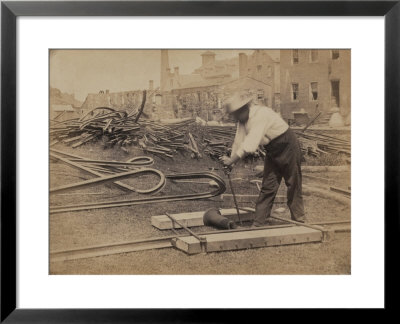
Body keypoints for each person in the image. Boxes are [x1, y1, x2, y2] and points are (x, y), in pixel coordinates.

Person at [220, 94, 305, 226]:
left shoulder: (260, 114)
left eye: (235, 115)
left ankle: (299, 220)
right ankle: (259, 223)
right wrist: (232, 161)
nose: (234, 118)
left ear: (243, 109)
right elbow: (239, 141)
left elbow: (250, 144)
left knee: (293, 183)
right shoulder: (242, 120)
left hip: (287, 145)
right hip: (272, 149)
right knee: (268, 186)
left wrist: (232, 161)